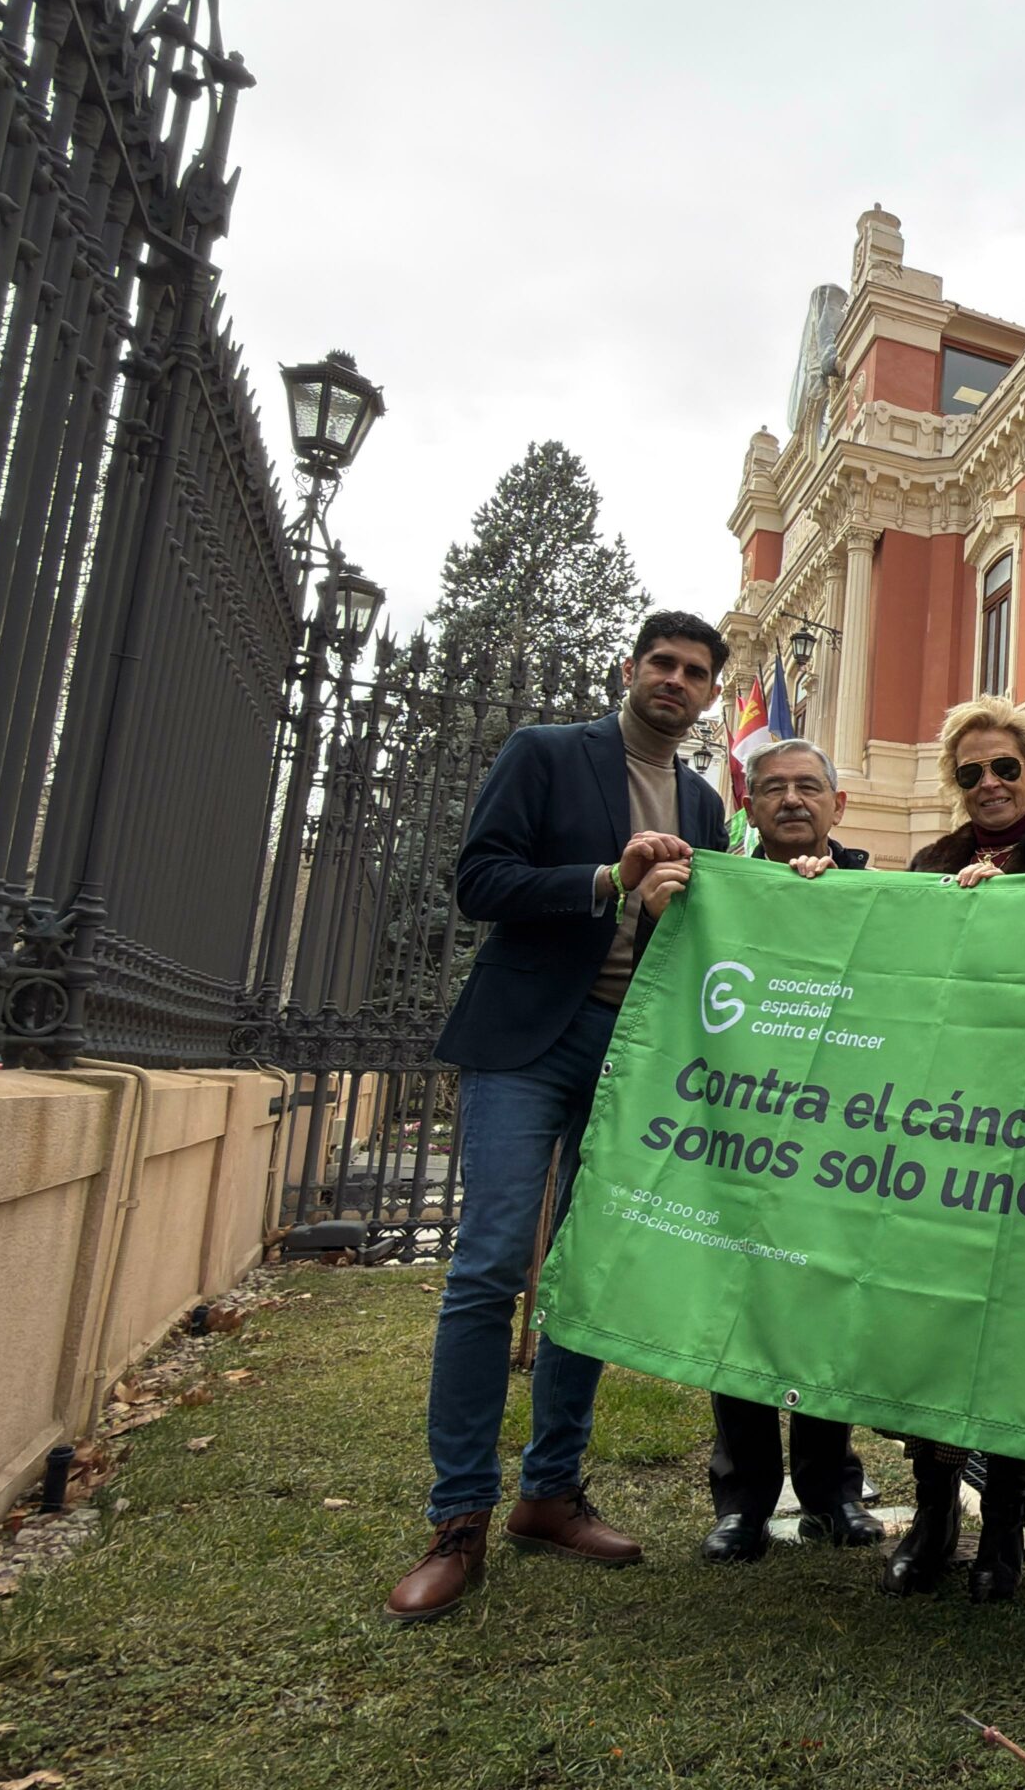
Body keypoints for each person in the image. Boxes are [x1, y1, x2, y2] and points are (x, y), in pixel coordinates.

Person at [386, 611, 730, 1623]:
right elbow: (478, 882)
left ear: (711, 695)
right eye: (661, 664)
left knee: (583, 1276)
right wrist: (605, 881)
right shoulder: (546, 754)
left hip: (633, 1055)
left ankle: (549, 1490)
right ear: (629, 671)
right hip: (529, 1040)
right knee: (491, 1262)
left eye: (695, 672)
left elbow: (708, 930)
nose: (675, 681)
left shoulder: (707, 805)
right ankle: (458, 1519)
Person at [883, 696, 1025, 1604]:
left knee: (1011, 1330)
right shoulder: (930, 866)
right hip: (946, 1127)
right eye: (971, 774)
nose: (991, 785)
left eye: (1006, 768)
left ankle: (1004, 1528)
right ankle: (934, 1516)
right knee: (932, 1324)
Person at [694, 737, 884, 1566]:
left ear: (838, 806)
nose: (792, 801)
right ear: (749, 807)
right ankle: (742, 1502)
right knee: (742, 1307)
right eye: (772, 789)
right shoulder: (719, 892)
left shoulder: (881, 895)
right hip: (740, 1133)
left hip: (839, 1140)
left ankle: (832, 1491)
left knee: (824, 1307)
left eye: (810, 787)